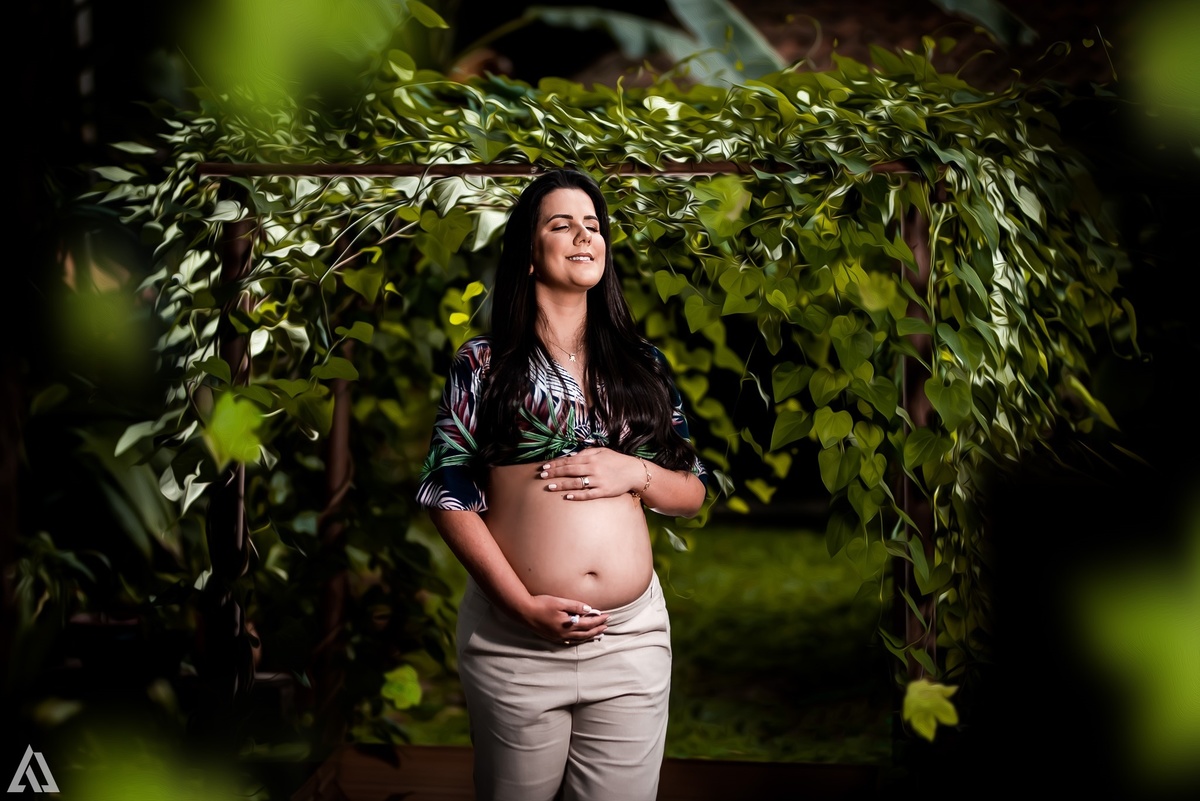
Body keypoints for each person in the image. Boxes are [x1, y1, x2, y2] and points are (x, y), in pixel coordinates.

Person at [415, 168, 708, 801]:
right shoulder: (484, 363)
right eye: (562, 224)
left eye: (593, 225)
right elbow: (447, 493)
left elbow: (692, 491)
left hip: (629, 638)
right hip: (515, 639)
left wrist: (634, 471)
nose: (584, 236)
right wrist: (520, 606)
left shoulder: (642, 365)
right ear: (528, 253)